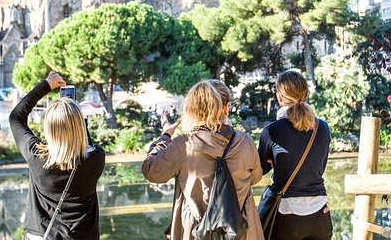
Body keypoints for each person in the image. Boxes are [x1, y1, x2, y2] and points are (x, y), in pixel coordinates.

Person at [142, 80, 264, 239]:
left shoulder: (184, 145)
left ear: (191, 111)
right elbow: (255, 178)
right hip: (241, 230)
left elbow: (152, 171)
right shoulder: (246, 142)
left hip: (197, 231)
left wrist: (165, 137)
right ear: (225, 108)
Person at [9, 72, 105, 240]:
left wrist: (46, 85)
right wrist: (74, 115)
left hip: (41, 235)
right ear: (80, 125)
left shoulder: (36, 156)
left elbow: (16, 117)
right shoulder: (96, 158)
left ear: (49, 128)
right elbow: (85, 143)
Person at [257, 70, 332, 240]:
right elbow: (320, 166)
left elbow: (258, 170)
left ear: (279, 97)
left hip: (286, 214)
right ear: (305, 94)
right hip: (320, 213)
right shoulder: (323, 128)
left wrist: (272, 162)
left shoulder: (272, 131)